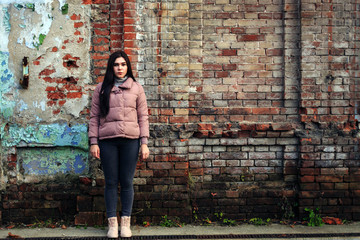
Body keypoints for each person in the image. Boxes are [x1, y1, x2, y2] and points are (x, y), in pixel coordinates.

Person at [88, 50, 150, 238]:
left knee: (127, 182)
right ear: (111, 67)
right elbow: (94, 117)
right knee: (111, 182)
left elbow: (143, 117)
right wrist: (93, 142)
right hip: (108, 142)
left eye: (123, 64)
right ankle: (112, 225)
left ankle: (126, 223)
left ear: (127, 67)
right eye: (116, 65)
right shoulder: (101, 89)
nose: (120, 68)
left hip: (130, 141)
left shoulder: (137, 88)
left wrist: (144, 143)